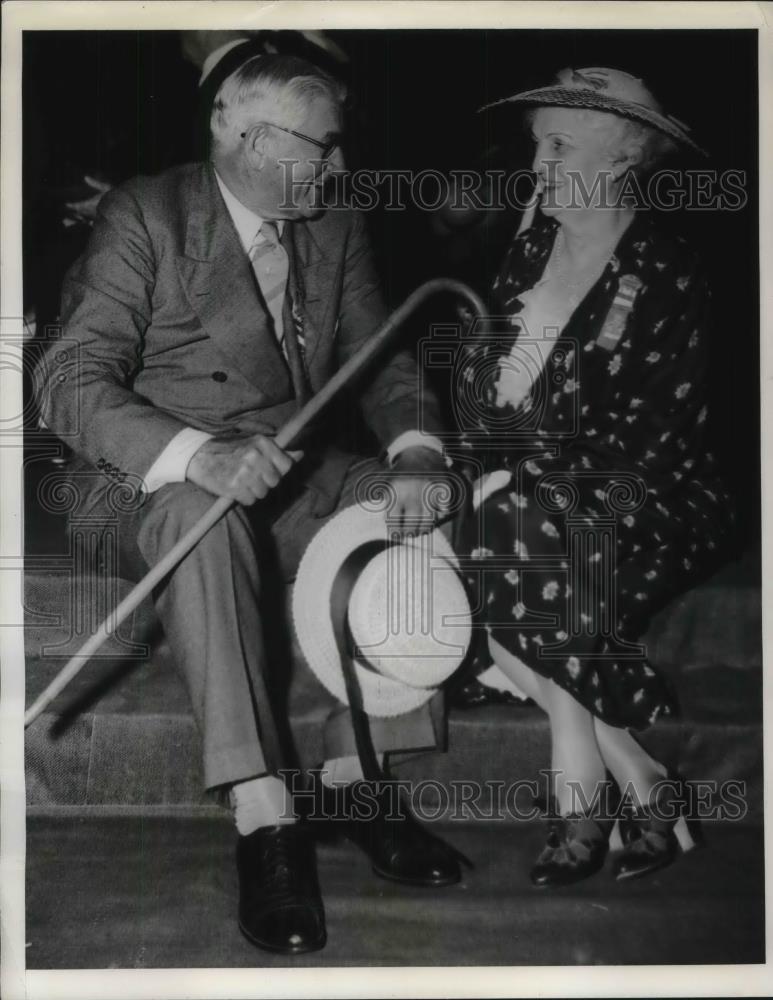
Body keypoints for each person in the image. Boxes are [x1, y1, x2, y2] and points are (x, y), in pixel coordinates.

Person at [38, 52, 467, 956]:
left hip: (286, 464)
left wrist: (419, 450)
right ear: (242, 134)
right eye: (325, 147)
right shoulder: (144, 215)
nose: (342, 168)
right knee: (203, 522)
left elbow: (382, 358)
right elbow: (67, 379)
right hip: (141, 478)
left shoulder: (335, 221)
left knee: (410, 506)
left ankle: (357, 776)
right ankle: (264, 817)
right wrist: (199, 455)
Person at [454, 67, 735, 886]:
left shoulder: (669, 272)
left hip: (654, 496)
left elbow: (647, 442)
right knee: (492, 540)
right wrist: (477, 457)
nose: (536, 162)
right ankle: (642, 779)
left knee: (510, 545)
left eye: (558, 144)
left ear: (617, 160)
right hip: (530, 506)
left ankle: (580, 799)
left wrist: (517, 479)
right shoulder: (527, 252)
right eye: (536, 143)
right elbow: (479, 398)